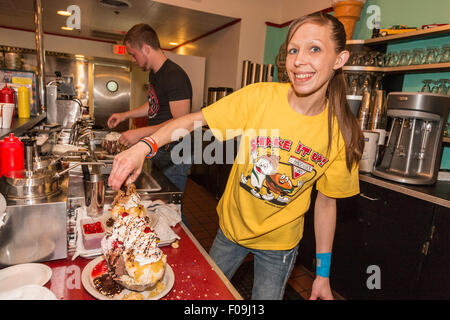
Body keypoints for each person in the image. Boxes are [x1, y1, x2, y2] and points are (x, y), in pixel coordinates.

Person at [108, 12, 364, 300]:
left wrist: (322, 274)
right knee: (204, 297)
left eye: (314, 49)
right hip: (230, 232)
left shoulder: (342, 133)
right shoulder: (260, 97)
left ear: (340, 59)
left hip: (279, 245)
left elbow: (327, 205)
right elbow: (192, 120)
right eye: (294, 49)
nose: (300, 60)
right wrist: (144, 146)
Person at [107, 23, 193, 196]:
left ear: (146, 48)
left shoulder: (174, 76)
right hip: (159, 147)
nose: (132, 59)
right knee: (158, 201)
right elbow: (152, 105)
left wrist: (140, 133)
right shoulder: (155, 73)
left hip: (176, 155)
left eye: (133, 54)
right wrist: (125, 115)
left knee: (172, 208)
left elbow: (181, 123)